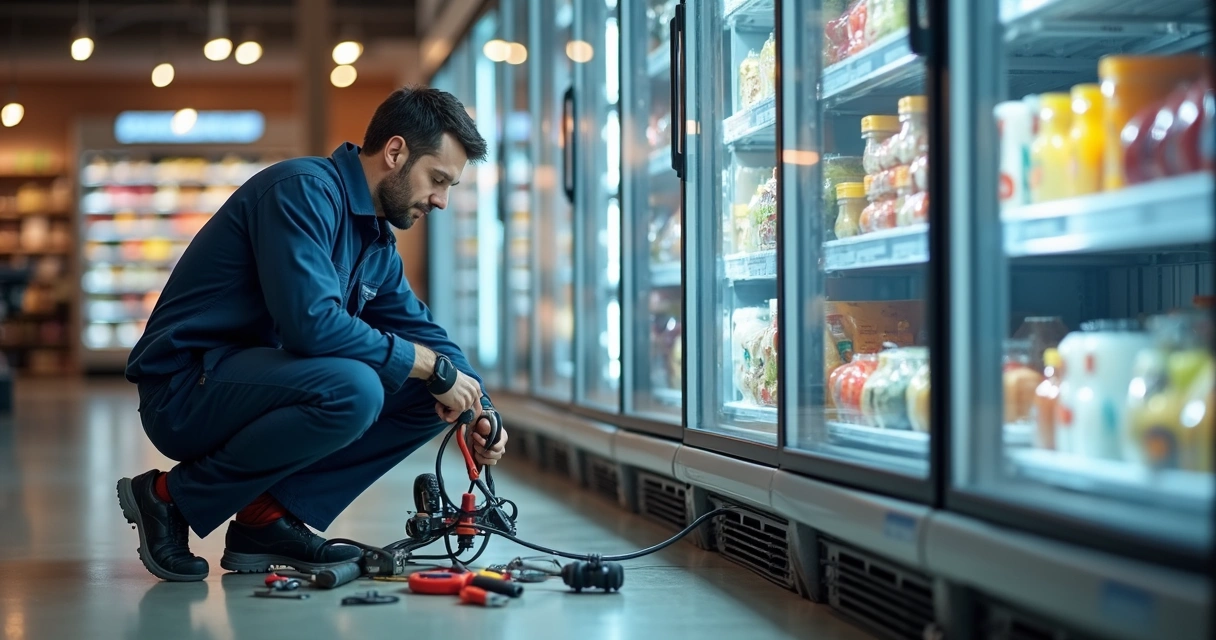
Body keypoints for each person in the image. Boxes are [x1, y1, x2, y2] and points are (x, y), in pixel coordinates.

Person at [115, 86, 507, 582]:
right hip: (186, 389)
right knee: (356, 388)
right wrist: (430, 366)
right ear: (395, 152)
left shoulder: (375, 242)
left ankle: (266, 518)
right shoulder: (301, 191)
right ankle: (166, 498)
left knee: (427, 396)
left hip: (254, 385)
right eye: (438, 179)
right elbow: (311, 326)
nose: (442, 201)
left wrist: (480, 408)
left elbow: (426, 333)